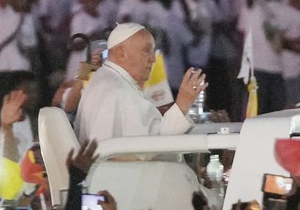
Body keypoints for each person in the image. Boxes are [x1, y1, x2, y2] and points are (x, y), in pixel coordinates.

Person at [73, 22, 206, 145]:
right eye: (146, 51)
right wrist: (183, 103)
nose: (153, 59)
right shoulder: (118, 89)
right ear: (121, 53)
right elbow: (152, 145)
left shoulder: (106, 78)